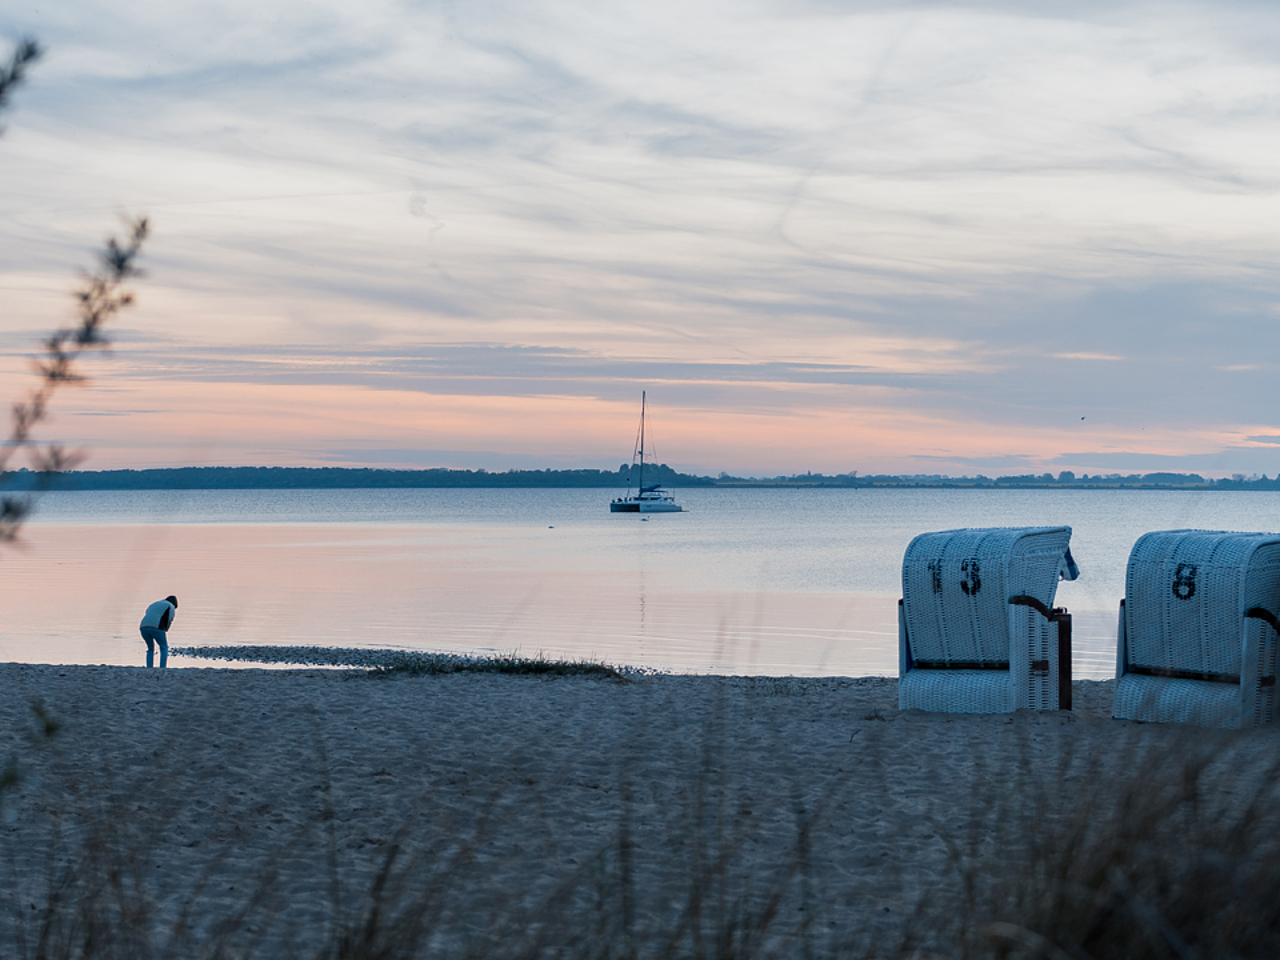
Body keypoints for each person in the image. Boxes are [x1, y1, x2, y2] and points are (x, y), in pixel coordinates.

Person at [139, 595, 178, 668]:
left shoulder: (154, 604)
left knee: (150, 648)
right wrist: (166, 629)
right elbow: (170, 619)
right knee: (164, 647)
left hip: (143, 626)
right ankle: (162, 667)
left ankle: (149, 666)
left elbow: (148, 613)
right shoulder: (170, 606)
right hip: (156, 627)